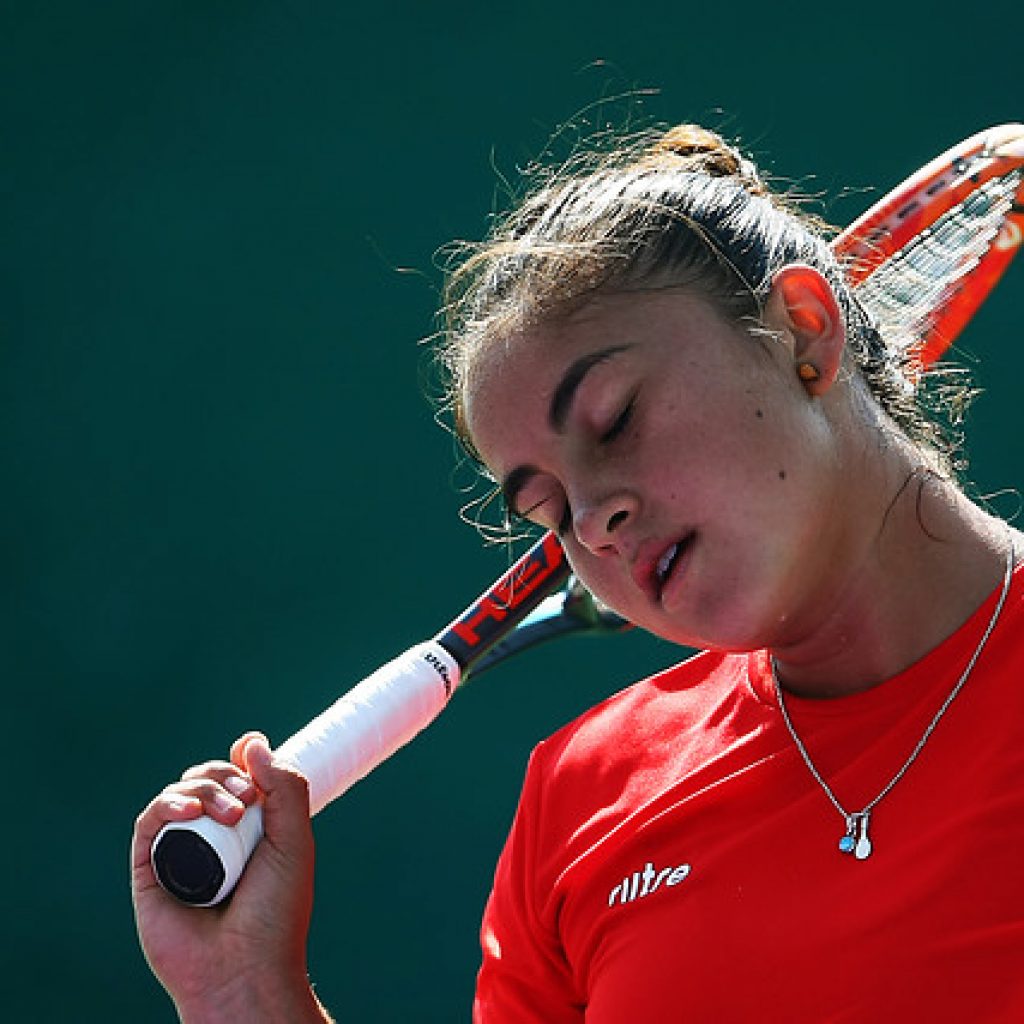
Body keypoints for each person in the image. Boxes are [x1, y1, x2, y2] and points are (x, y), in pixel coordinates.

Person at [132, 125, 1024, 1022]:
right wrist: (246, 995)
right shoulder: (582, 795)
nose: (594, 519)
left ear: (804, 327)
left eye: (614, 420)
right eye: (549, 512)